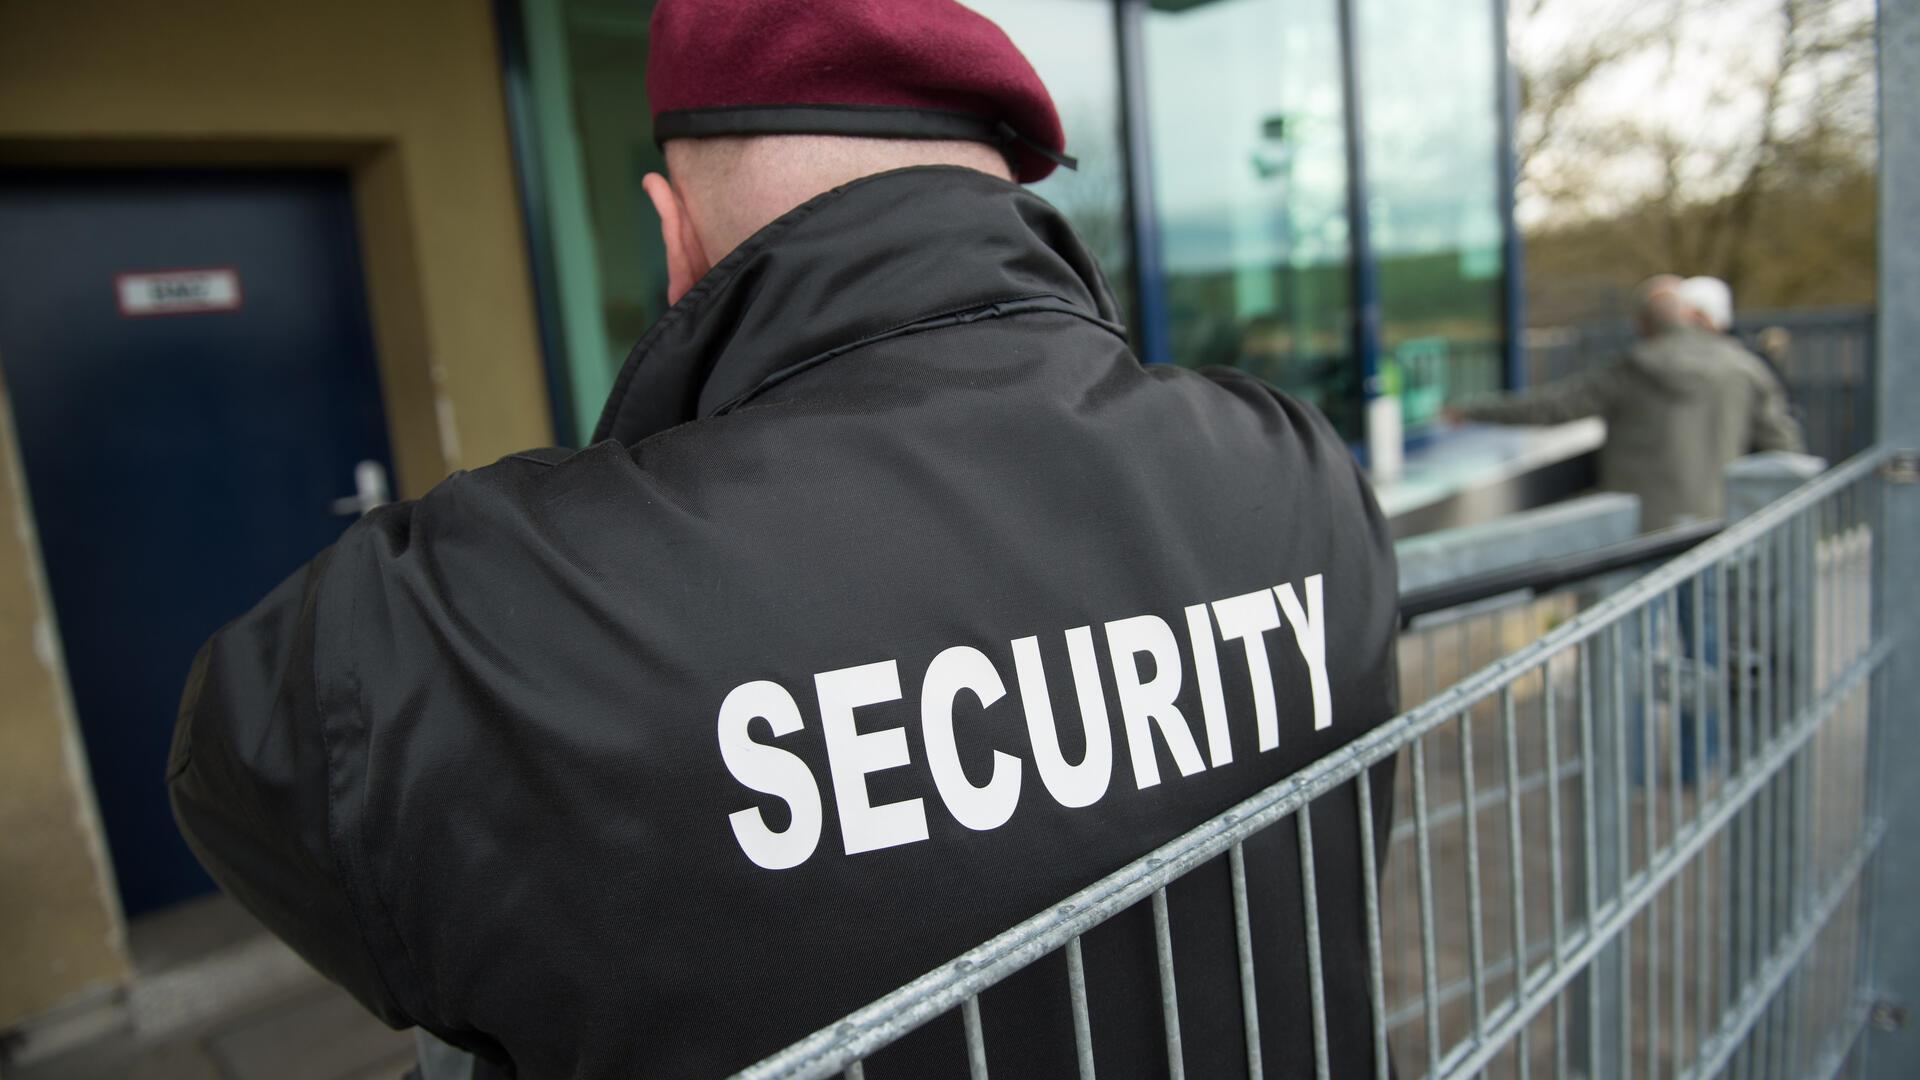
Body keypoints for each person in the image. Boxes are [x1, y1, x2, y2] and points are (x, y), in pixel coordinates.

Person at [167, 1, 1400, 1077]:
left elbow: (247, 748)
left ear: (673, 234)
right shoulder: (1292, 471)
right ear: (1007, 197)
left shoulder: (488, 619)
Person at [1448, 275, 1805, 530]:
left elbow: (1552, 406)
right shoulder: (1744, 367)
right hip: (1723, 518)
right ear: (1690, 315)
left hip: (1644, 527)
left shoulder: (1632, 369)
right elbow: (1783, 446)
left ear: (1641, 324)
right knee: (1709, 623)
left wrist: (1472, 410)